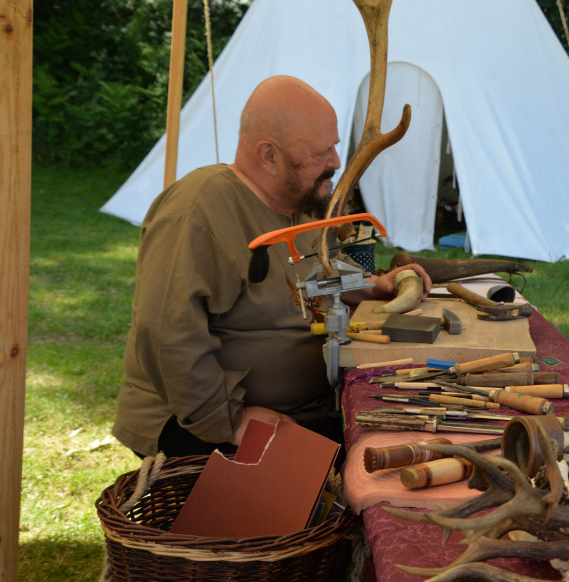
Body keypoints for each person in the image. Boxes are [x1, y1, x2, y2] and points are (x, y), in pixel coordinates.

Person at [112, 75, 430, 459]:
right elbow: (167, 333)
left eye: (333, 147)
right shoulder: (199, 210)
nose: (334, 163)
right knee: (345, 496)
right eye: (319, 154)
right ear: (269, 155)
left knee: (398, 450)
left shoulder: (294, 205)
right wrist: (230, 421)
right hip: (201, 423)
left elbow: (316, 270)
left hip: (295, 415)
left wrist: (373, 285)